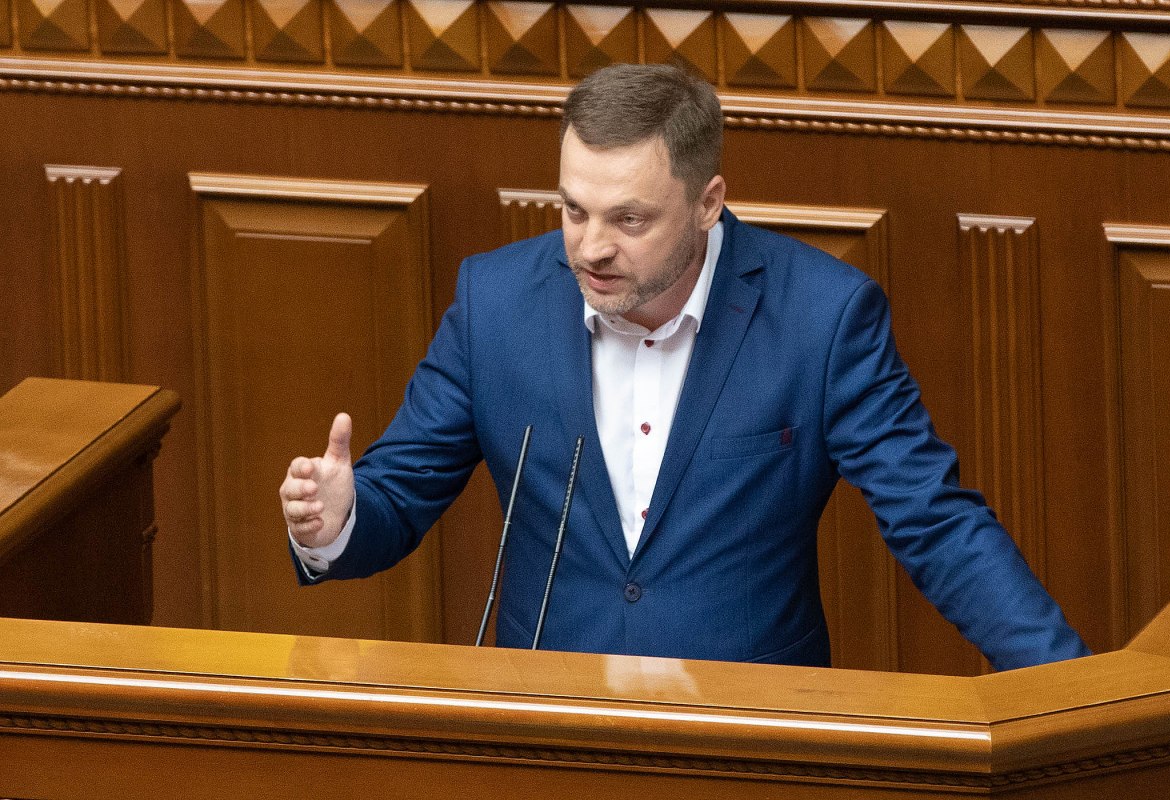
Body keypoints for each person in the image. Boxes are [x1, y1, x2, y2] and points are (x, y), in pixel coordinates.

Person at [280, 63, 1090, 670]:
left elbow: (934, 521)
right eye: (573, 210)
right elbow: (399, 495)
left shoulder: (823, 318)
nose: (591, 247)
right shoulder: (495, 304)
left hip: (752, 736)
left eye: (629, 219)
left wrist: (1069, 688)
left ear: (708, 202)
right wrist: (336, 520)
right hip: (547, 729)